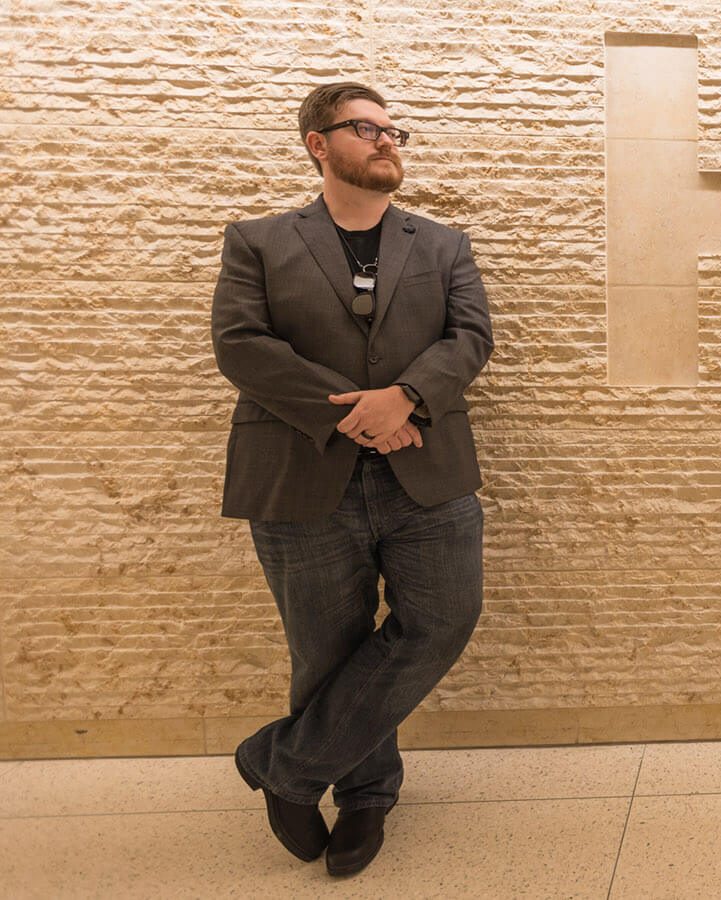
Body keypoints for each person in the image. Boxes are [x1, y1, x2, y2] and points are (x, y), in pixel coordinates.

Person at [210, 81, 493, 877]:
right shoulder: (258, 241)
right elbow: (240, 345)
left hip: (425, 474)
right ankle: (366, 794)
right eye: (364, 128)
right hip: (300, 476)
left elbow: (470, 339)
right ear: (317, 143)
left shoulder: (442, 245)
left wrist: (404, 397)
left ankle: (286, 765)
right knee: (327, 650)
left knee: (442, 620)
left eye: (392, 128)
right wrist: (351, 414)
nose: (385, 139)